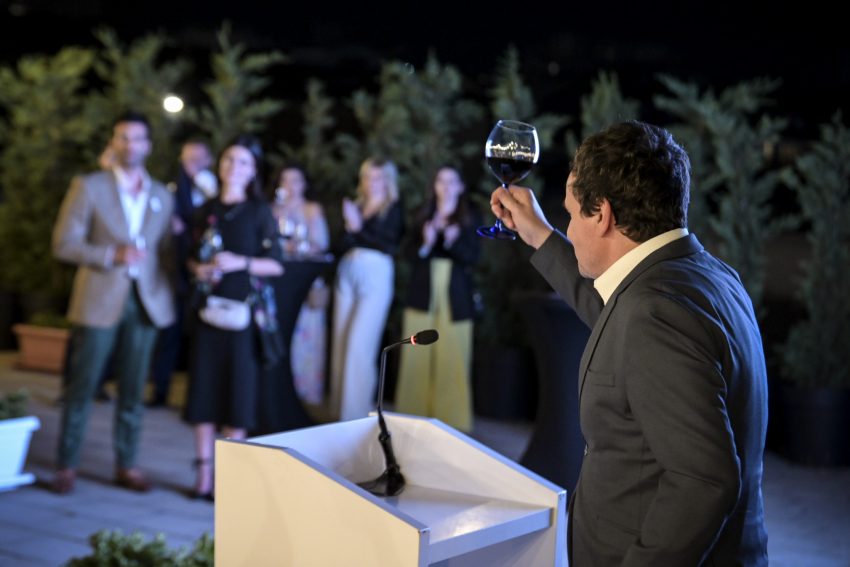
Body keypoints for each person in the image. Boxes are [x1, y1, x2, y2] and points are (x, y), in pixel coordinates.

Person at [489, 120, 769, 566]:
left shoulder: (655, 314)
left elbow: (703, 481)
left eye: (571, 215)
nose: (569, 229)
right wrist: (538, 233)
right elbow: (616, 315)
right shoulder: (706, 277)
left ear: (602, 214)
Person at [50, 111, 176, 494]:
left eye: (137, 138)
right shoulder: (89, 186)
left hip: (146, 300)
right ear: (113, 142)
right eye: (123, 137)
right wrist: (110, 255)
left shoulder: (162, 195)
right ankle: (66, 465)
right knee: (82, 386)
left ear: (148, 145)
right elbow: (64, 244)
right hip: (99, 298)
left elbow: (166, 250)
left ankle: (127, 464)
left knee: (134, 390)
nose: (130, 144)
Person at [184, 135, 284, 500]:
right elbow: (189, 256)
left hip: (243, 316)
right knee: (203, 392)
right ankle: (203, 476)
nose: (234, 167)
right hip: (208, 312)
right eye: (229, 159)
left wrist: (241, 262)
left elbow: (277, 265)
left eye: (243, 162)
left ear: (253, 170)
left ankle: (228, 478)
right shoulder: (206, 209)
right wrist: (198, 269)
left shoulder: (259, 211)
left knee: (237, 396)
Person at [393, 166, 480, 432]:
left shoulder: (470, 217)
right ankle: (411, 418)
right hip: (422, 292)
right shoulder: (423, 215)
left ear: (461, 187)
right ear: (434, 185)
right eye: (441, 181)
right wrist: (426, 243)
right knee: (416, 354)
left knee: (453, 356)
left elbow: (474, 257)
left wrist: (453, 243)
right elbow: (407, 253)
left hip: (455, 295)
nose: (446, 186)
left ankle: (452, 424)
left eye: (452, 181)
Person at [329, 157, 404, 422]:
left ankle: (354, 417)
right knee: (340, 342)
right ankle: (337, 414)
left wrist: (357, 227)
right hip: (348, 270)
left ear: (387, 181)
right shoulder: (356, 205)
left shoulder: (392, 208)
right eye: (367, 176)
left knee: (359, 345)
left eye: (378, 177)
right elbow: (340, 244)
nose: (372, 182)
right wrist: (350, 227)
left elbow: (389, 244)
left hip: (376, 272)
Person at [147, 138, 216, 408]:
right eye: (188, 160)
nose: (192, 166)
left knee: (202, 336)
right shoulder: (173, 189)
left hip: (207, 271)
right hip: (176, 271)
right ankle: (160, 390)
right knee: (170, 332)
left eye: (198, 159)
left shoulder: (214, 189)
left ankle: (199, 399)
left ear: (209, 160)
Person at [270, 164, 330, 405]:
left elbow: (320, 245)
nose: (290, 185)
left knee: (304, 333)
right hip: (278, 279)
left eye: (295, 180)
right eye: (285, 180)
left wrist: (298, 243)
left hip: (304, 281)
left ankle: (304, 392)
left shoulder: (311, 209)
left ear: (304, 184)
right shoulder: (273, 210)